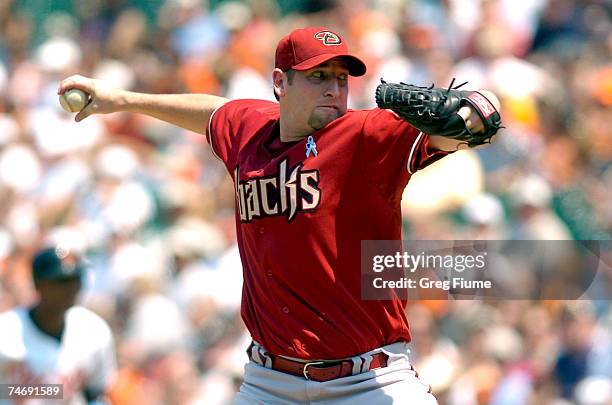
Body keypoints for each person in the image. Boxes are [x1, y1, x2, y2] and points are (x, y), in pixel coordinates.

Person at [58, 26, 501, 404]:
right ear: (279, 82)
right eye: (318, 75)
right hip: (269, 383)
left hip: (369, 379)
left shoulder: (365, 136)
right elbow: (213, 112)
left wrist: (473, 114)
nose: (334, 88)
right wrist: (120, 99)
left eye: (341, 78)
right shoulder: (250, 129)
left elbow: (472, 121)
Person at [0, 246, 117, 405]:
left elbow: (96, 392)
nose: (71, 288)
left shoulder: (94, 331)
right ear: (39, 284)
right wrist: (51, 389)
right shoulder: (6, 331)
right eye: (61, 281)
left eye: (76, 278)